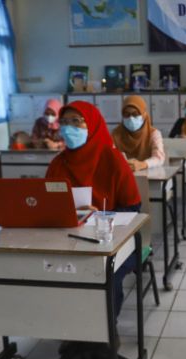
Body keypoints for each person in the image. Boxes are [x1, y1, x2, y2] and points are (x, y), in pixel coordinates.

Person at [45, 101, 141, 323]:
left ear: (93, 125)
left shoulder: (113, 159)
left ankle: (102, 336)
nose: (69, 128)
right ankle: (71, 329)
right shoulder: (58, 164)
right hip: (67, 240)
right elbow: (47, 203)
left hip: (113, 242)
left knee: (104, 274)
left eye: (76, 122)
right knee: (51, 273)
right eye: (65, 122)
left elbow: (133, 210)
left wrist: (100, 215)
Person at [112, 95, 166, 171]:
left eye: (135, 114)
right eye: (126, 114)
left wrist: (143, 164)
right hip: (123, 176)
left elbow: (159, 158)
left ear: (143, 115)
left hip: (150, 176)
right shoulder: (116, 134)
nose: (131, 118)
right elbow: (109, 156)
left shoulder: (153, 134)